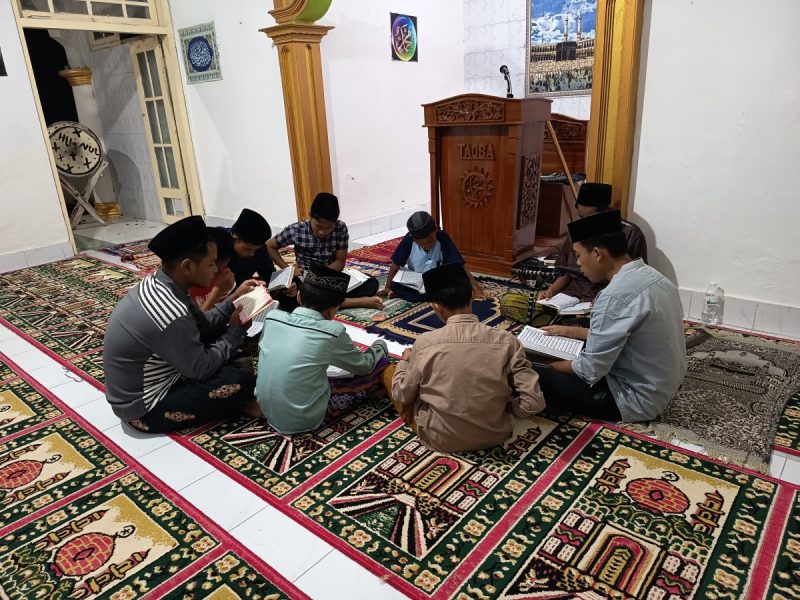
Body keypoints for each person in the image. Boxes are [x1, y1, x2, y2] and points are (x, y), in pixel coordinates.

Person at [103, 216, 262, 433]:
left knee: (227, 348)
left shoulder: (166, 283)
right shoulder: (169, 310)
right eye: (211, 263)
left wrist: (235, 298)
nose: (217, 270)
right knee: (239, 380)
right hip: (143, 407)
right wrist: (235, 330)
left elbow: (203, 326)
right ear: (187, 266)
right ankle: (241, 403)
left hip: (164, 373)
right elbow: (202, 369)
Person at [534, 210, 686, 422]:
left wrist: (545, 366)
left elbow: (589, 371)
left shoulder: (614, 296)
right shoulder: (657, 279)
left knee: (528, 374)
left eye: (579, 256)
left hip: (634, 399)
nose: (577, 263)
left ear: (597, 253)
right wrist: (568, 331)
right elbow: (628, 334)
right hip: (659, 387)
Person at [389, 262, 545, 453]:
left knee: (392, 372)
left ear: (436, 307)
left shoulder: (424, 343)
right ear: (472, 294)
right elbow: (534, 402)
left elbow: (402, 395)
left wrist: (405, 361)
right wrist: (510, 408)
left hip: (440, 438)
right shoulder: (507, 341)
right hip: (496, 435)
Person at [255, 264, 389, 434]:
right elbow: (363, 366)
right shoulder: (332, 331)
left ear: (298, 296)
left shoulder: (272, 317)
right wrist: (380, 346)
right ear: (335, 308)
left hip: (266, 410)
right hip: (304, 418)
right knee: (380, 364)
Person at [267, 192, 383, 310]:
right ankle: (358, 302)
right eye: (318, 226)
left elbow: (339, 262)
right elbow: (270, 246)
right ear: (310, 216)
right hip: (304, 278)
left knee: (371, 284)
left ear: (335, 222)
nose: (322, 232)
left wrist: (319, 276)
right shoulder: (297, 230)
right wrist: (289, 270)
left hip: (330, 275)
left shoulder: (340, 228)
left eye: (328, 228)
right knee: (288, 296)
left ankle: (320, 301)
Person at [541, 183, 648, 302]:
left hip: (604, 296)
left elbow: (633, 278)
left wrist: (605, 299)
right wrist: (552, 290)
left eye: (589, 218)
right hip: (571, 295)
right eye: (581, 217)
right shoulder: (578, 228)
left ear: (604, 212)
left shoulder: (630, 233)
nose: (584, 223)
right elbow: (566, 270)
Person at [379, 211, 484, 302]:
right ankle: (412, 294)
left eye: (430, 241)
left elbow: (459, 264)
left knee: (456, 284)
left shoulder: (442, 237)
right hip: (416, 279)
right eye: (422, 244)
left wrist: (477, 288)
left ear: (436, 230)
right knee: (396, 283)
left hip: (438, 279)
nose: (427, 245)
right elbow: (396, 264)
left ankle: (408, 295)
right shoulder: (409, 239)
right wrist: (388, 287)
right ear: (414, 239)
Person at [226, 208, 297, 310]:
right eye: (248, 249)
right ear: (235, 238)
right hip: (221, 298)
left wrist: (285, 288)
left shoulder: (260, 250)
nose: (252, 254)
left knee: (290, 296)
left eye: (256, 250)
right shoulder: (220, 248)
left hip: (245, 295)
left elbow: (270, 277)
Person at [190, 227, 235, 310]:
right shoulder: (186, 287)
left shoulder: (223, 275)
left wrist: (237, 294)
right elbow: (196, 322)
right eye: (211, 265)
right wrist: (217, 292)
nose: (216, 270)